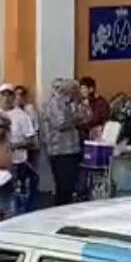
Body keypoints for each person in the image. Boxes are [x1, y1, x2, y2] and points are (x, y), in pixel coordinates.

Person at [40, 78, 82, 206]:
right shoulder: (54, 103)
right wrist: (76, 118)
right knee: (63, 187)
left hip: (72, 149)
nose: (78, 92)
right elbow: (60, 123)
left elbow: (86, 116)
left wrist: (78, 109)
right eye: (76, 90)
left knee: (70, 187)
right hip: (60, 151)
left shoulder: (71, 103)